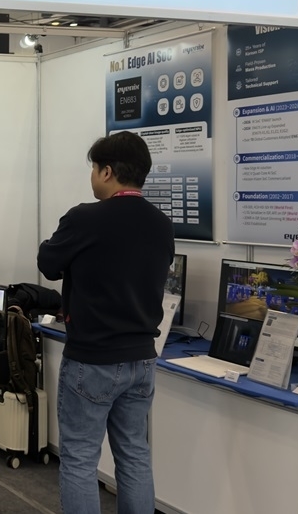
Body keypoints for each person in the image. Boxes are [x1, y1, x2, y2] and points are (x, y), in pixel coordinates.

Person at [36, 132, 174, 514]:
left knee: (80, 458)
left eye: (94, 169)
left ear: (107, 172)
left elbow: (48, 263)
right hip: (142, 359)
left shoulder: (84, 218)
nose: (92, 176)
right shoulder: (161, 223)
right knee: (134, 454)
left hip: (92, 358)